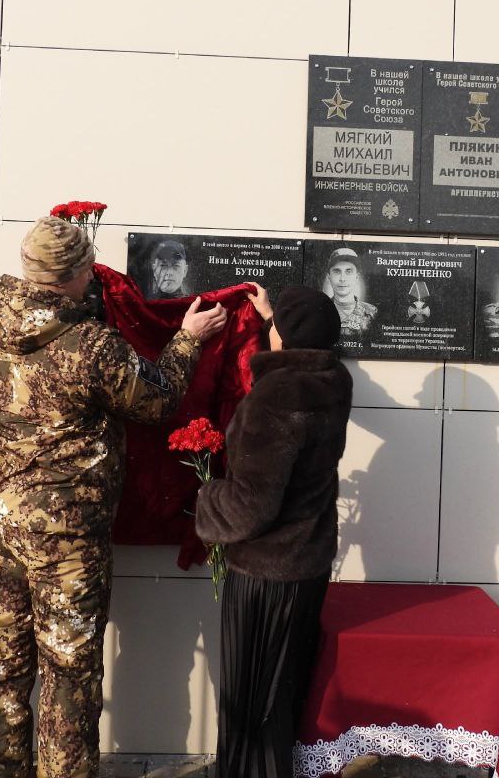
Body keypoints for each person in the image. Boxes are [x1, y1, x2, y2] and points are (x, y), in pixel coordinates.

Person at [0, 216, 227, 778]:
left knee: (4, 660)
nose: (93, 273)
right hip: (65, 533)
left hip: (1, 519)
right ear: (69, 275)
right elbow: (155, 400)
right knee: (69, 670)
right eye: (86, 267)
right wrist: (188, 339)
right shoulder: (90, 345)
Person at [195, 283, 353, 778]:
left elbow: (250, 507)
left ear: (284, 335)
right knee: (281, 697)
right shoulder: (333, 380)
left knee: (251, 702)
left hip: (265, 577)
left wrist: (205, 501)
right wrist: (273, 320)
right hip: (305, 567)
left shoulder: (275, 396)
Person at [320, 247, 377, 337]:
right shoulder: (319, 312)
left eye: (349, 271)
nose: (342, 279)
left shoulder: (371, 313)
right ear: (329, 277)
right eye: (337, 271)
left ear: (356, 277)